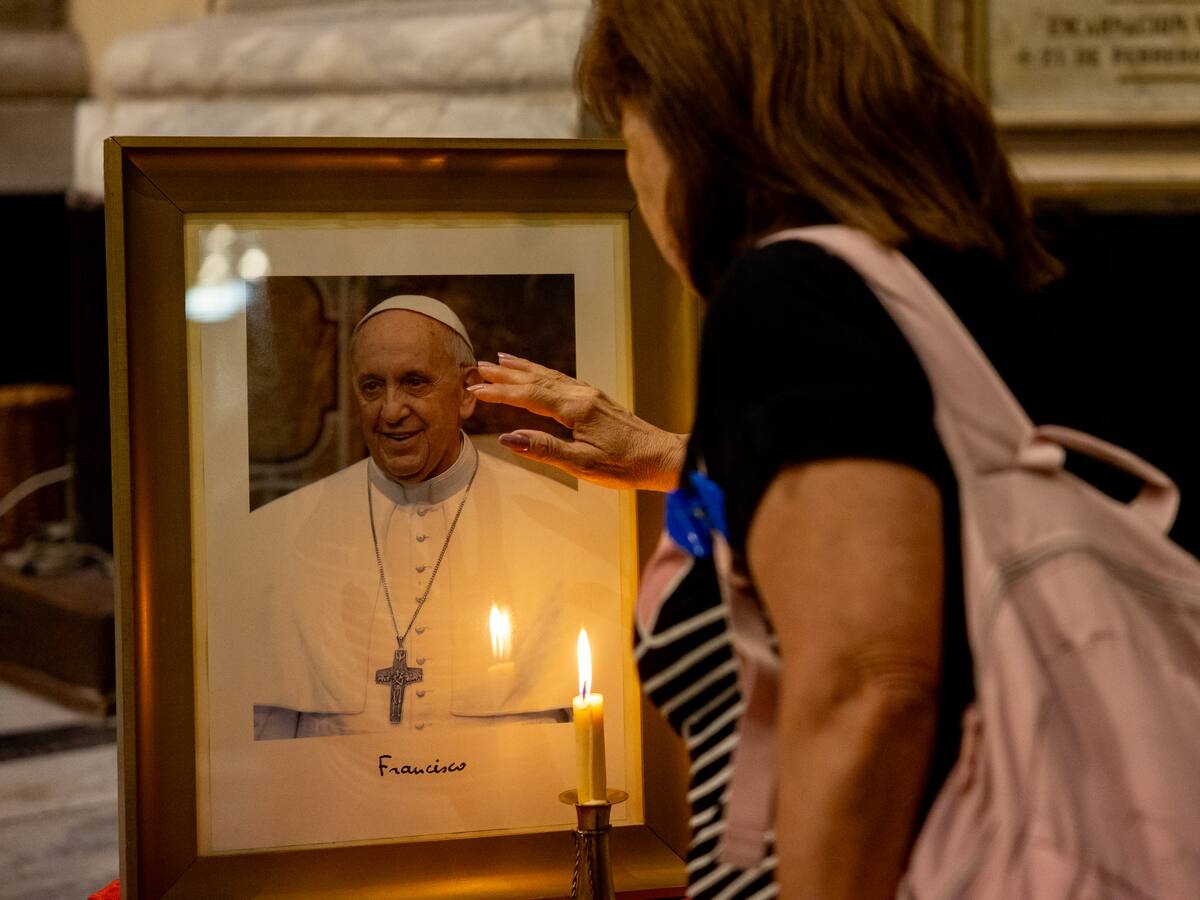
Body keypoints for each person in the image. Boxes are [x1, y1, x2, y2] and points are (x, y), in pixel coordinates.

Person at [469, 1, 1088, 897]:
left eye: (632, 140)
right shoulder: (980, 280)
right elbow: (923, 496)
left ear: (697, 128)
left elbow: (869, 686)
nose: (637, 182)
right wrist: (674, 456)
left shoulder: (790, 293)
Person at [249, 295, 610, 740]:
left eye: (414, 382)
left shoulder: (560, 526)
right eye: (372, 387)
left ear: (467, 392)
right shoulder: (280, 535)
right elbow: (265, 738)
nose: (391, 411)